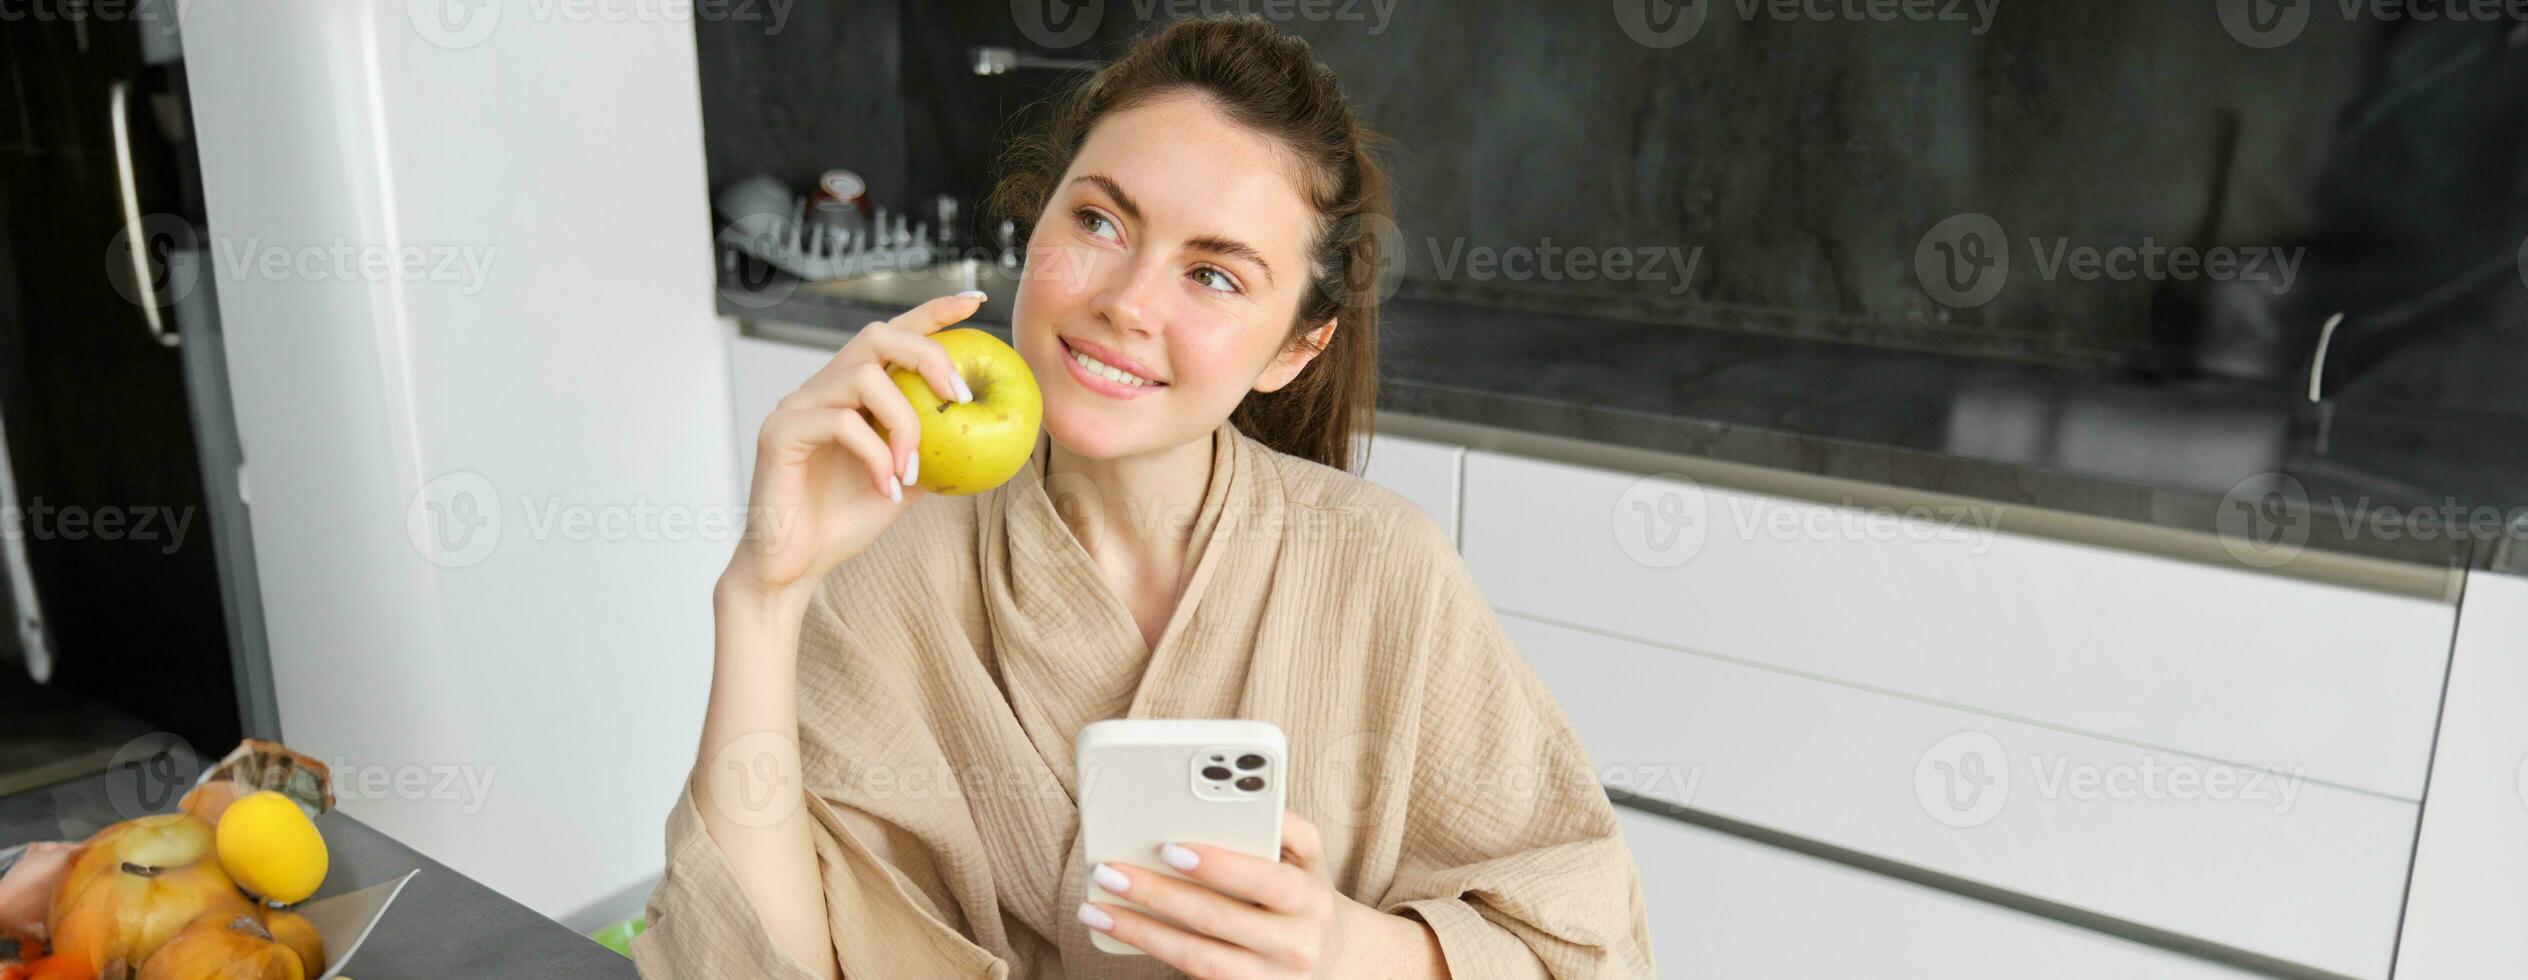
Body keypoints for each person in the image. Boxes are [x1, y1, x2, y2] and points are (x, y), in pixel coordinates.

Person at [633, 16, 1655, 979]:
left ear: (1295, 347)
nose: (1124, 301)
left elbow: (1582, 941)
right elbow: (740, 959)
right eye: (1098, 219)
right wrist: (762, 594)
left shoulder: (1380, 564)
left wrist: (1344, 948)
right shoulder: (885, 547)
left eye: (1213, 276)